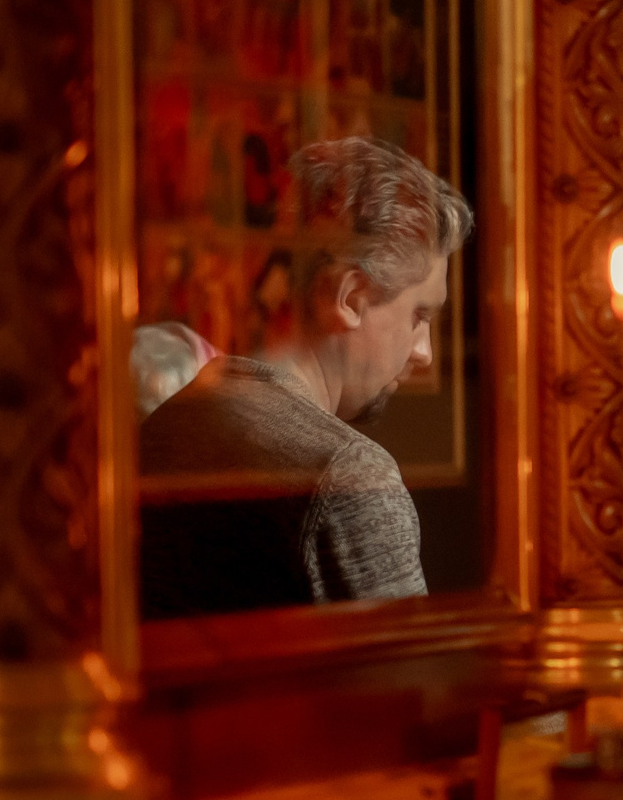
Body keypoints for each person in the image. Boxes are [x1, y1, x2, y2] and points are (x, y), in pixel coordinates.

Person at [139, 135, 471, 618]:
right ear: (350, 298)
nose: (423, 352)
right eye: (419, 316)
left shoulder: (172, 420)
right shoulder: (351, 476)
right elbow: (409, 690)